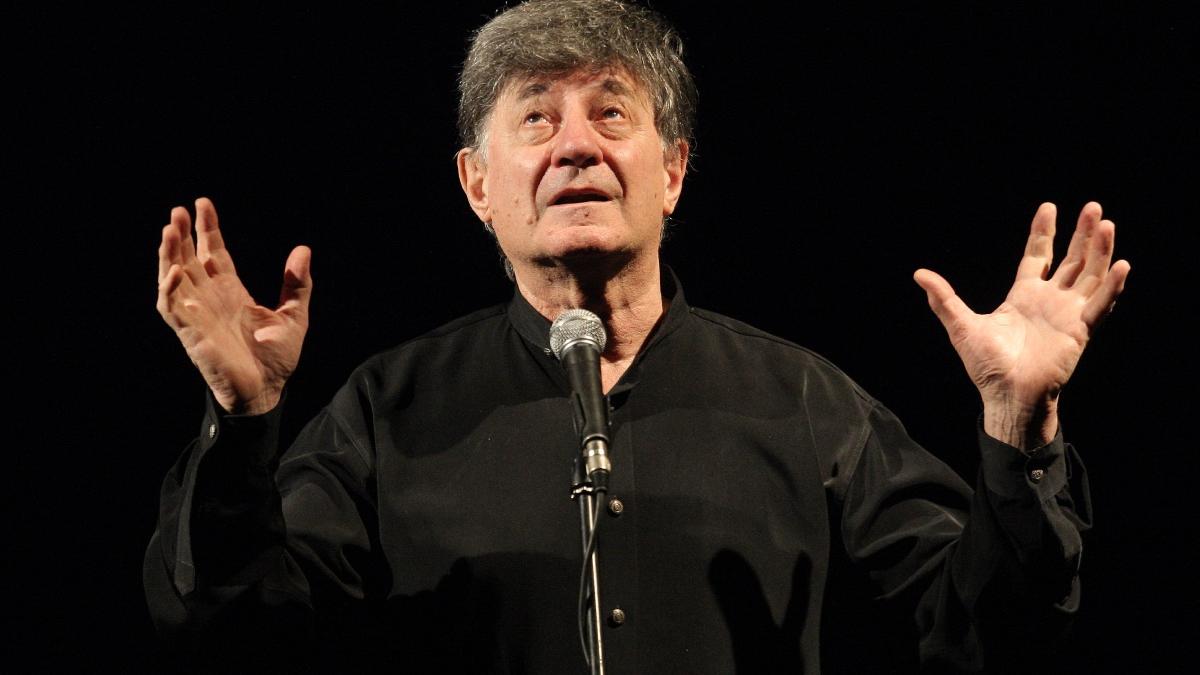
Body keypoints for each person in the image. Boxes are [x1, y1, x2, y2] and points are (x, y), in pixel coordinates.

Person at [146, 0, 1130, 672]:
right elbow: (232, 638)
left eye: (611, 112)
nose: (577, 144)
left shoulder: (806, 403)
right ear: (478, 185)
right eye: (537, 119)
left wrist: (1017, 433)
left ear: (674, 172)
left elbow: (989, 640)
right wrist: (243, 424)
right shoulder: (385, 410)